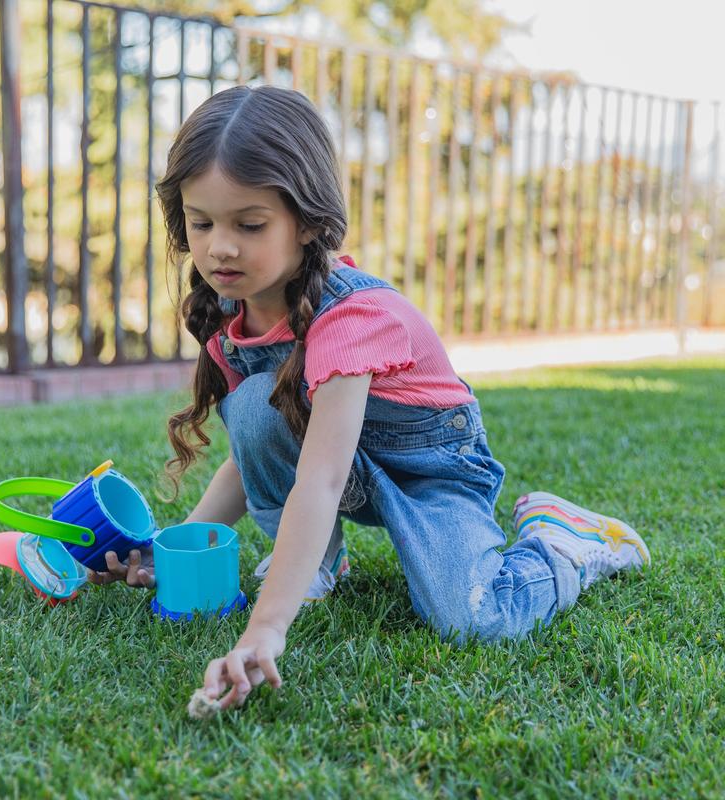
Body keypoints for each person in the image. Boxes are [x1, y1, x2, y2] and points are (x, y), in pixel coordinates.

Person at [86, 85, 651, 711]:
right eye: (202, 222)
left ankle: (563, 539)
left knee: (475, 618)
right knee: (250, 406)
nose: (220, 246)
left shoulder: (351, 319)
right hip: (338, 463)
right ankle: (314, 563)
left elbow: (320, 480)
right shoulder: (232, 320)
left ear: (306, 223)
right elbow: (251, 453)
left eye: (249, 224)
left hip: (429, 470)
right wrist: (179, 549)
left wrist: (266, 628)